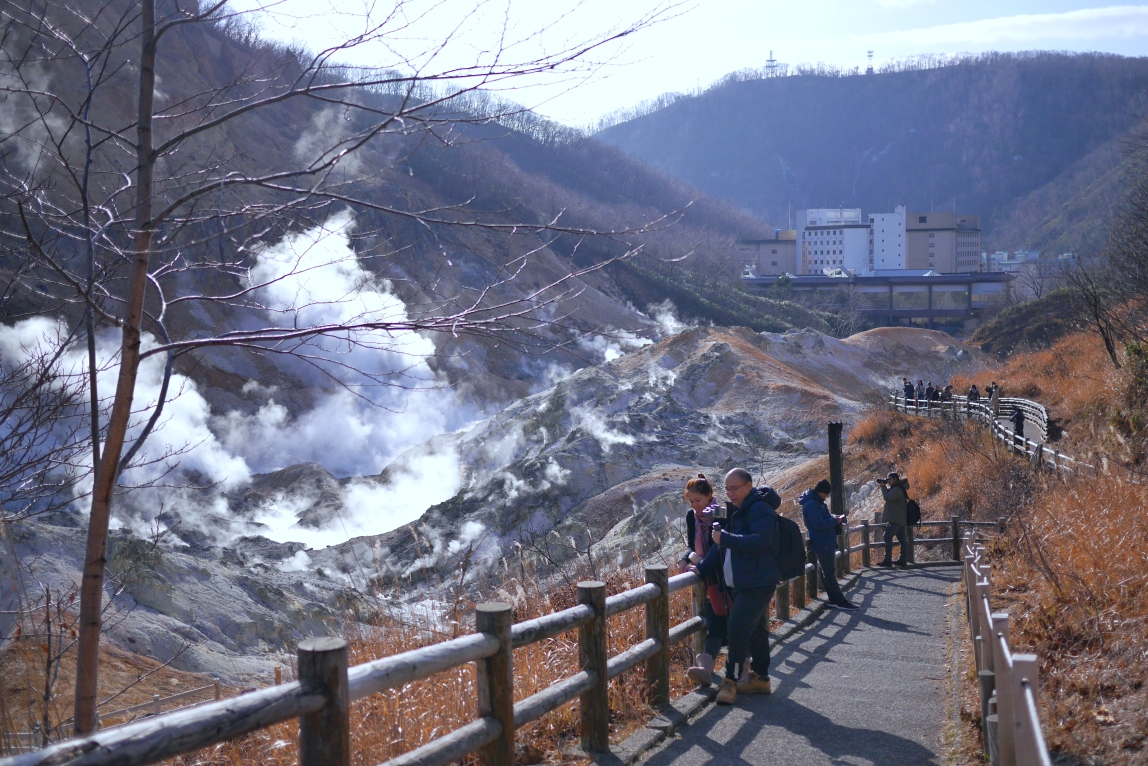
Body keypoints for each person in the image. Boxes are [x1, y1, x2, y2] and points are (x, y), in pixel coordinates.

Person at [691, 468, 781, 706]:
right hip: (745, 580)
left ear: (748, 486)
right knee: (756, 631)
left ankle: (729, 682)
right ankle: (761, 678)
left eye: (734, 488)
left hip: (759, 580)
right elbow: (719, 547)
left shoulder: (759, 509)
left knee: (737, 626)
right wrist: (701, 568)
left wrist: (726, 538)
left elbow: (761, 542)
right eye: (727, 489)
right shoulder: (739, 510)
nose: (729, 493)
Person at [679, 474, 732, 686]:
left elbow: (720, 546)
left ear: (710, 496)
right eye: (691, 501)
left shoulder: (720, 513)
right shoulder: (692, 516)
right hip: (709, 580)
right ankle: (707, 668)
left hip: (725, 576)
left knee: (731, 622)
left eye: (698, 500)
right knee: (716, 622)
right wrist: (685, 558)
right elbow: (692, 543)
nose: (694, 505)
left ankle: (738, 671)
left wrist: (701, 567)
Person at [800, 479, 858, 611]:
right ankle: (841, 601)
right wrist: (835, 521)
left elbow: (823, 518)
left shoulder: (816, 502)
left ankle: (833, 600)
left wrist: (833, 517)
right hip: (822, 542)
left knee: (828, 572)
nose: (826, 497)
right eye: (826, 494)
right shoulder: (812, 504)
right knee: (830, 572)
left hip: (825, 541)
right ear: (821, 492)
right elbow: (819, 524)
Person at [876, 471, 911, 568]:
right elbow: (889, 496)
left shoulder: (898, 489)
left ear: (895, 479)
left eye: (889, 479)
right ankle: (902, 560)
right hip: (899, 518)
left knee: (887, 537)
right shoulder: (897, 488)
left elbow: (887, 497)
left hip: (895, 519)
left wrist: (883, 487)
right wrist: (884, 486)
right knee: (902, 540)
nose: (888, 481)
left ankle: (888, 560)